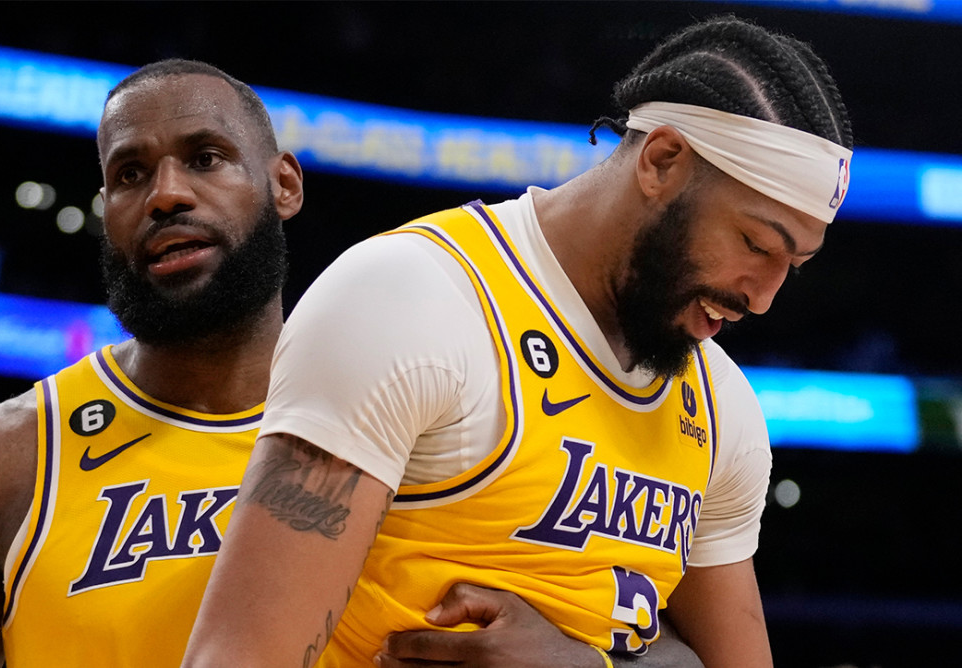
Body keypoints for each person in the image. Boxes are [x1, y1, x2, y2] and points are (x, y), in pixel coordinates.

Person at [0, 59, 697, 667]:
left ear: (285, 185)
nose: (165, 193)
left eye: (204, 157)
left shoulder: (442, 418)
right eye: (129, 174)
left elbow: (676, 647)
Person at [184, 15, 852, 668]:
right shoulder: (408, 300)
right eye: (755, 244)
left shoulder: (723, 407)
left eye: (791, 266)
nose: (762, 297)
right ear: (662, 161)